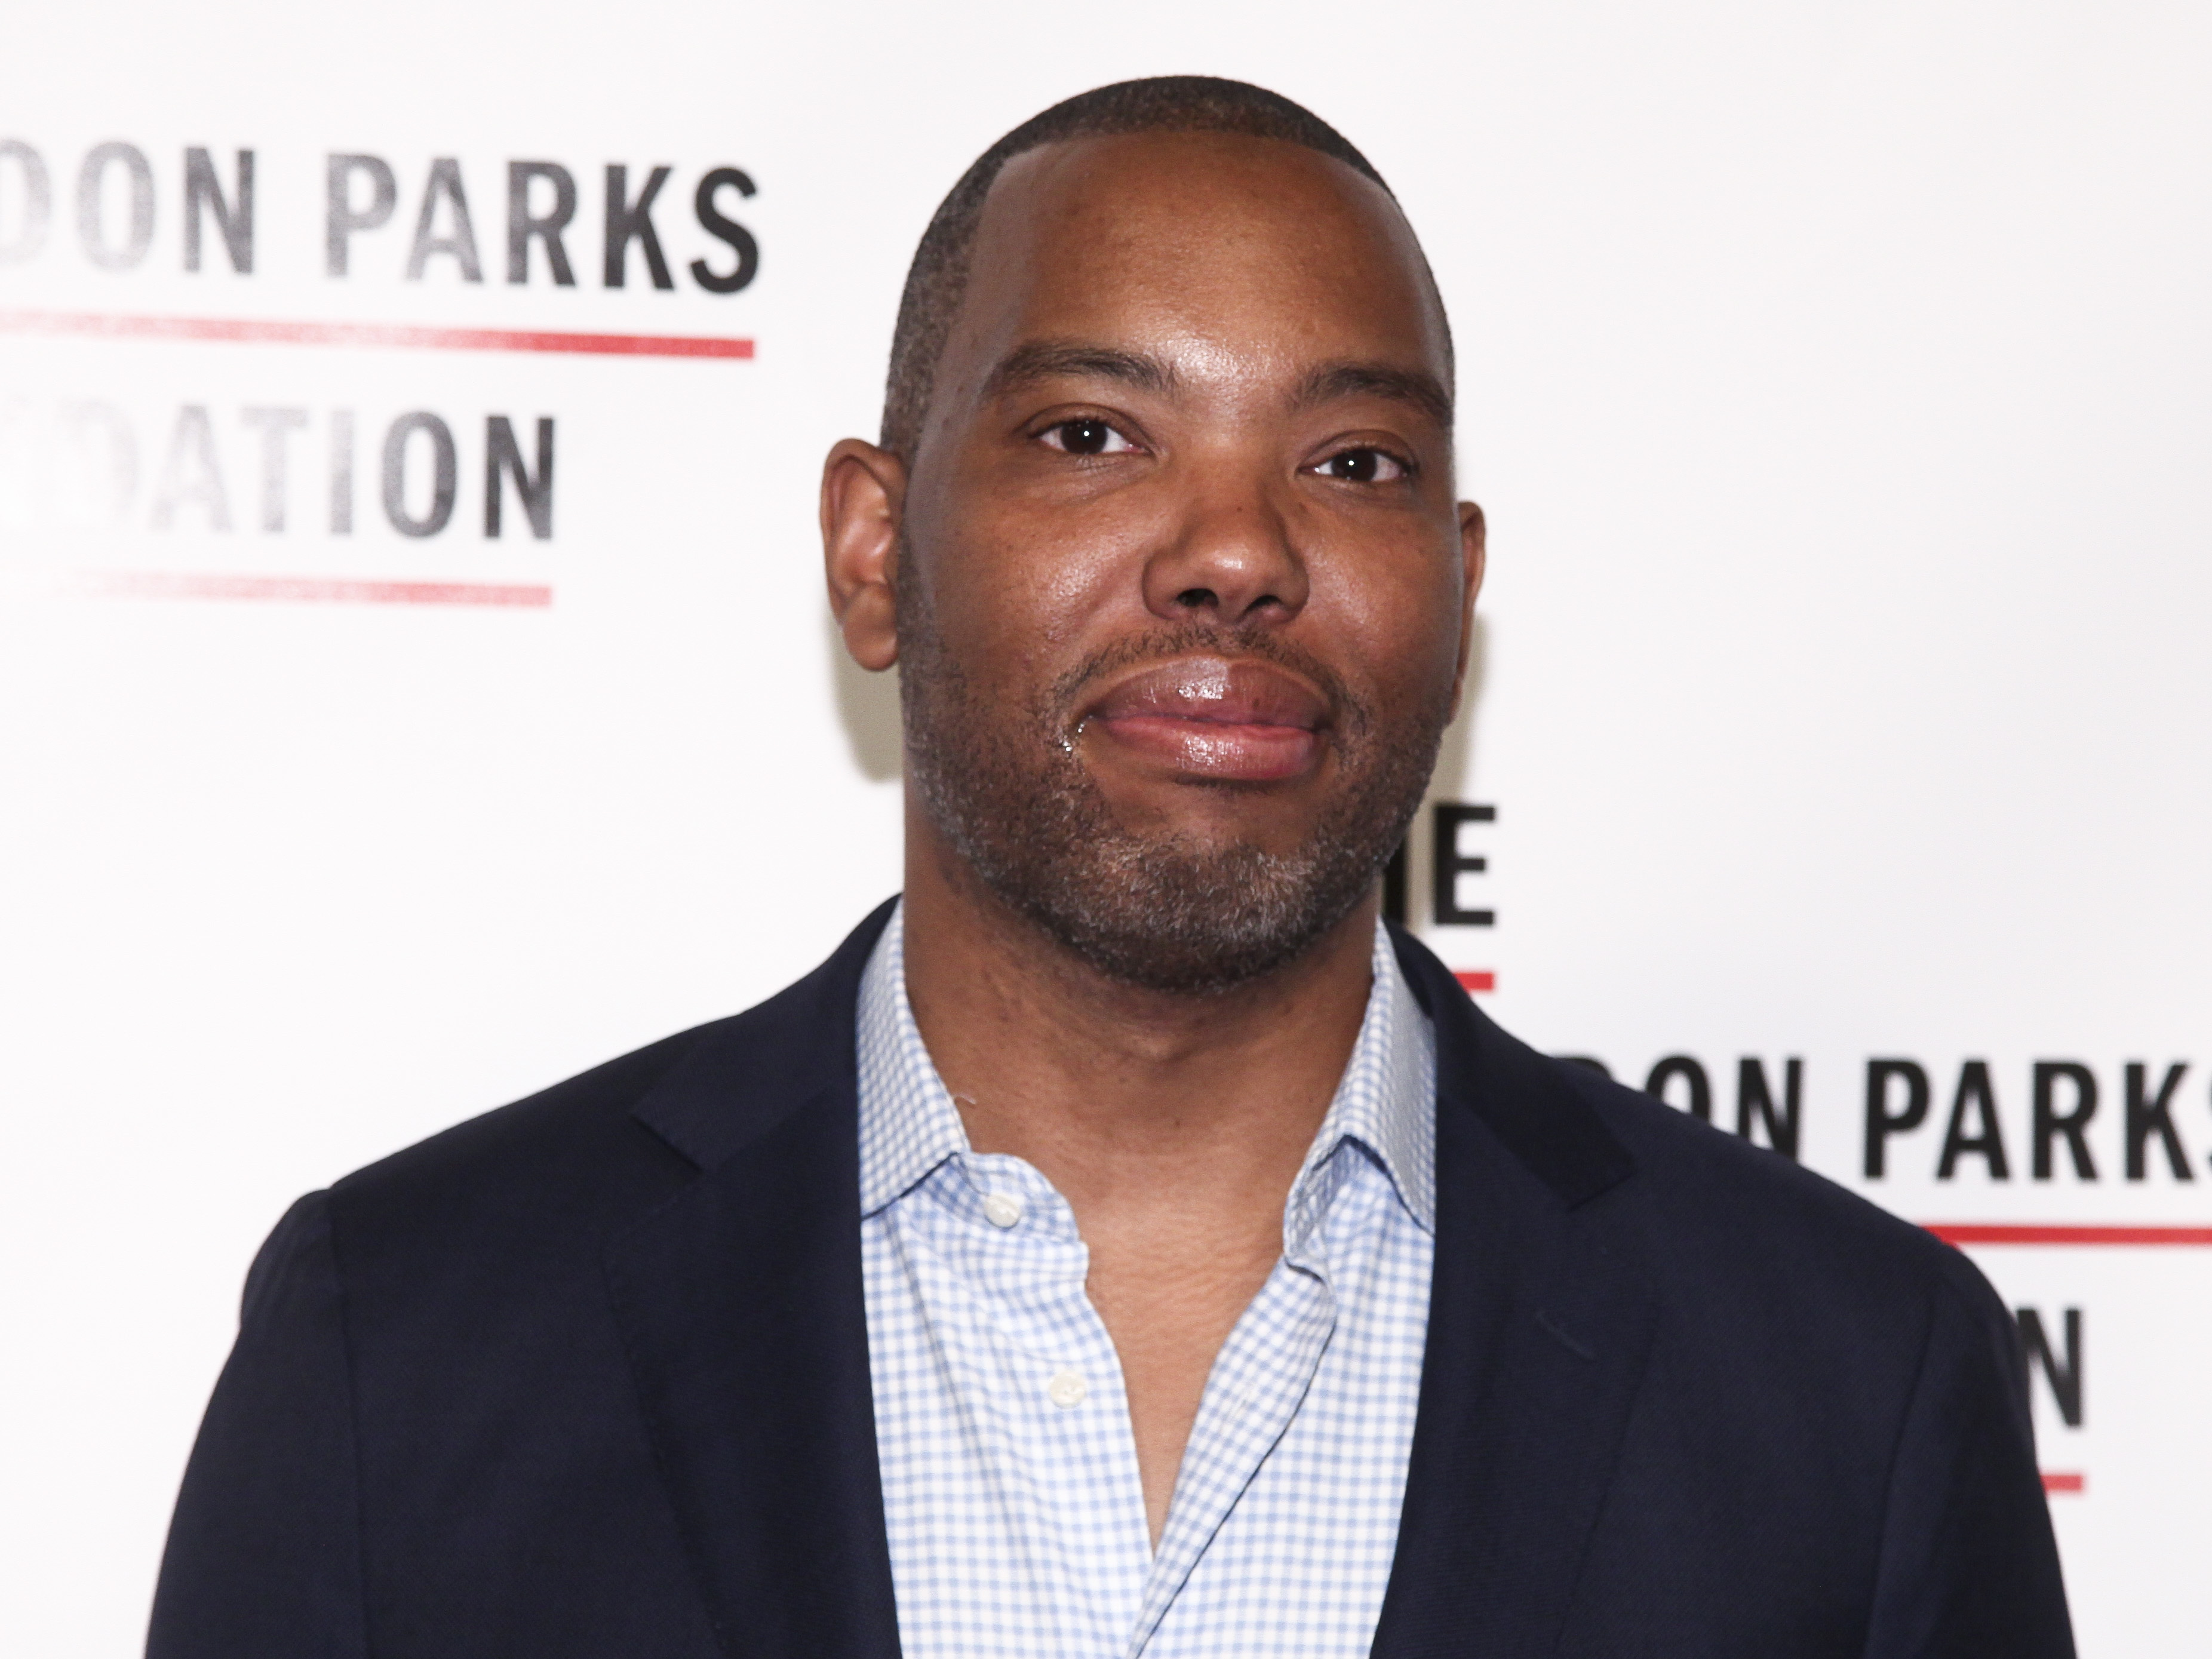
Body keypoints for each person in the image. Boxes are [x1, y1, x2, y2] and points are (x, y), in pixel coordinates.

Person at [148, 76, 2073, 1659]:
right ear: (871, 550)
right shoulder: (402, 1350)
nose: (1233, 551)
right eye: (1094, 433)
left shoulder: (1850, 1393)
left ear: (1460, 591)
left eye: (1353, 464)